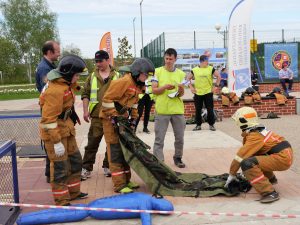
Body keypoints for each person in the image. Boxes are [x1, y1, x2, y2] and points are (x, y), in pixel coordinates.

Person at [39, 55, 89, 206]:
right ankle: (61, 200)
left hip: (66, 129)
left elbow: (70, 91)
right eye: (77, 75)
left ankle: (73, 193)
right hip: (55, 133)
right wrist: (56, 142)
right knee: (60, 168)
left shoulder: (64, 83)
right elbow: (48, 120)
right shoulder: (55, 90)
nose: (78, 78)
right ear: (68, 75)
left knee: (75, 161)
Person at [100, 58, 155, 193]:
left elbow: (134, 103)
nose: (146, 78)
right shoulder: (124, 82)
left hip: (122, 120)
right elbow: (106, 100)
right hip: (109, 120)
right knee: (115, 151)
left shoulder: (137, 85)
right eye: (145, 75)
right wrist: (114, 116)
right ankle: (119, 184)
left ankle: (126, 180)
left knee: (126, 150)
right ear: (137, 72)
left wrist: (134, 118)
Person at [225, 107, 293, 203]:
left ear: (242, 120)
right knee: (254, 157)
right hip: (284, 154)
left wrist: (232, 174)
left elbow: (240, 157)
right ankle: (270, 179)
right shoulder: (257, 130)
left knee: (247, 164)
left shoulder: (254, 136)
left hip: (282, 157)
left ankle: (269, 193)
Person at [81, 50, 119, 180]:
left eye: (100, 61)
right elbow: (85, 94)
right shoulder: (91, 77)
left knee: (112, 143)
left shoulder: (118, 76)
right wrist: (85, 111)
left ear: (107, 60)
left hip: (112, 117)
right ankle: (86, 167)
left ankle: (108, 166)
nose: (98, 64)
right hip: (96, 116)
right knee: (92, 143)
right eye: (96, 61)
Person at [152, 48, 186, 168]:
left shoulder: (181, 74)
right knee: (159, 139)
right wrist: (165, 87)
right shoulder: (157, 72)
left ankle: (178, 158)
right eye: (166, 58)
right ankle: (159, 162)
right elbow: (154, 90)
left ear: (175, 59)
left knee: (180, 138)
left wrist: (181, 89)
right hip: (162, 110)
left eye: (171, 59)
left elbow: (181, 94)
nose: (168, 61)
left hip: (177, 110)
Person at [35, 40, 61, 183]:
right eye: (57, 51)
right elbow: (48, 91)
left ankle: (50, 173)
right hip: (50, 110)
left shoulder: (48, 66)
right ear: (50, 52)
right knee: (51, 141)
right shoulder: (45, 69)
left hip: (49, 109)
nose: (59, 53)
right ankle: (51, 174)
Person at [188, 55, 221, 131]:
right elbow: (187, 78)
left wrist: (216, 86)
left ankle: (211, 125)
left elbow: (219, 76)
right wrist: (191, 87)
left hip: (208, 92)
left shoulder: (210, 68)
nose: (208, 62)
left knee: (210, 109)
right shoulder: (194, 70)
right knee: (198, 110)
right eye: (207, 61)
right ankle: (198, 125)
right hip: (198, 93)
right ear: (202, 61)